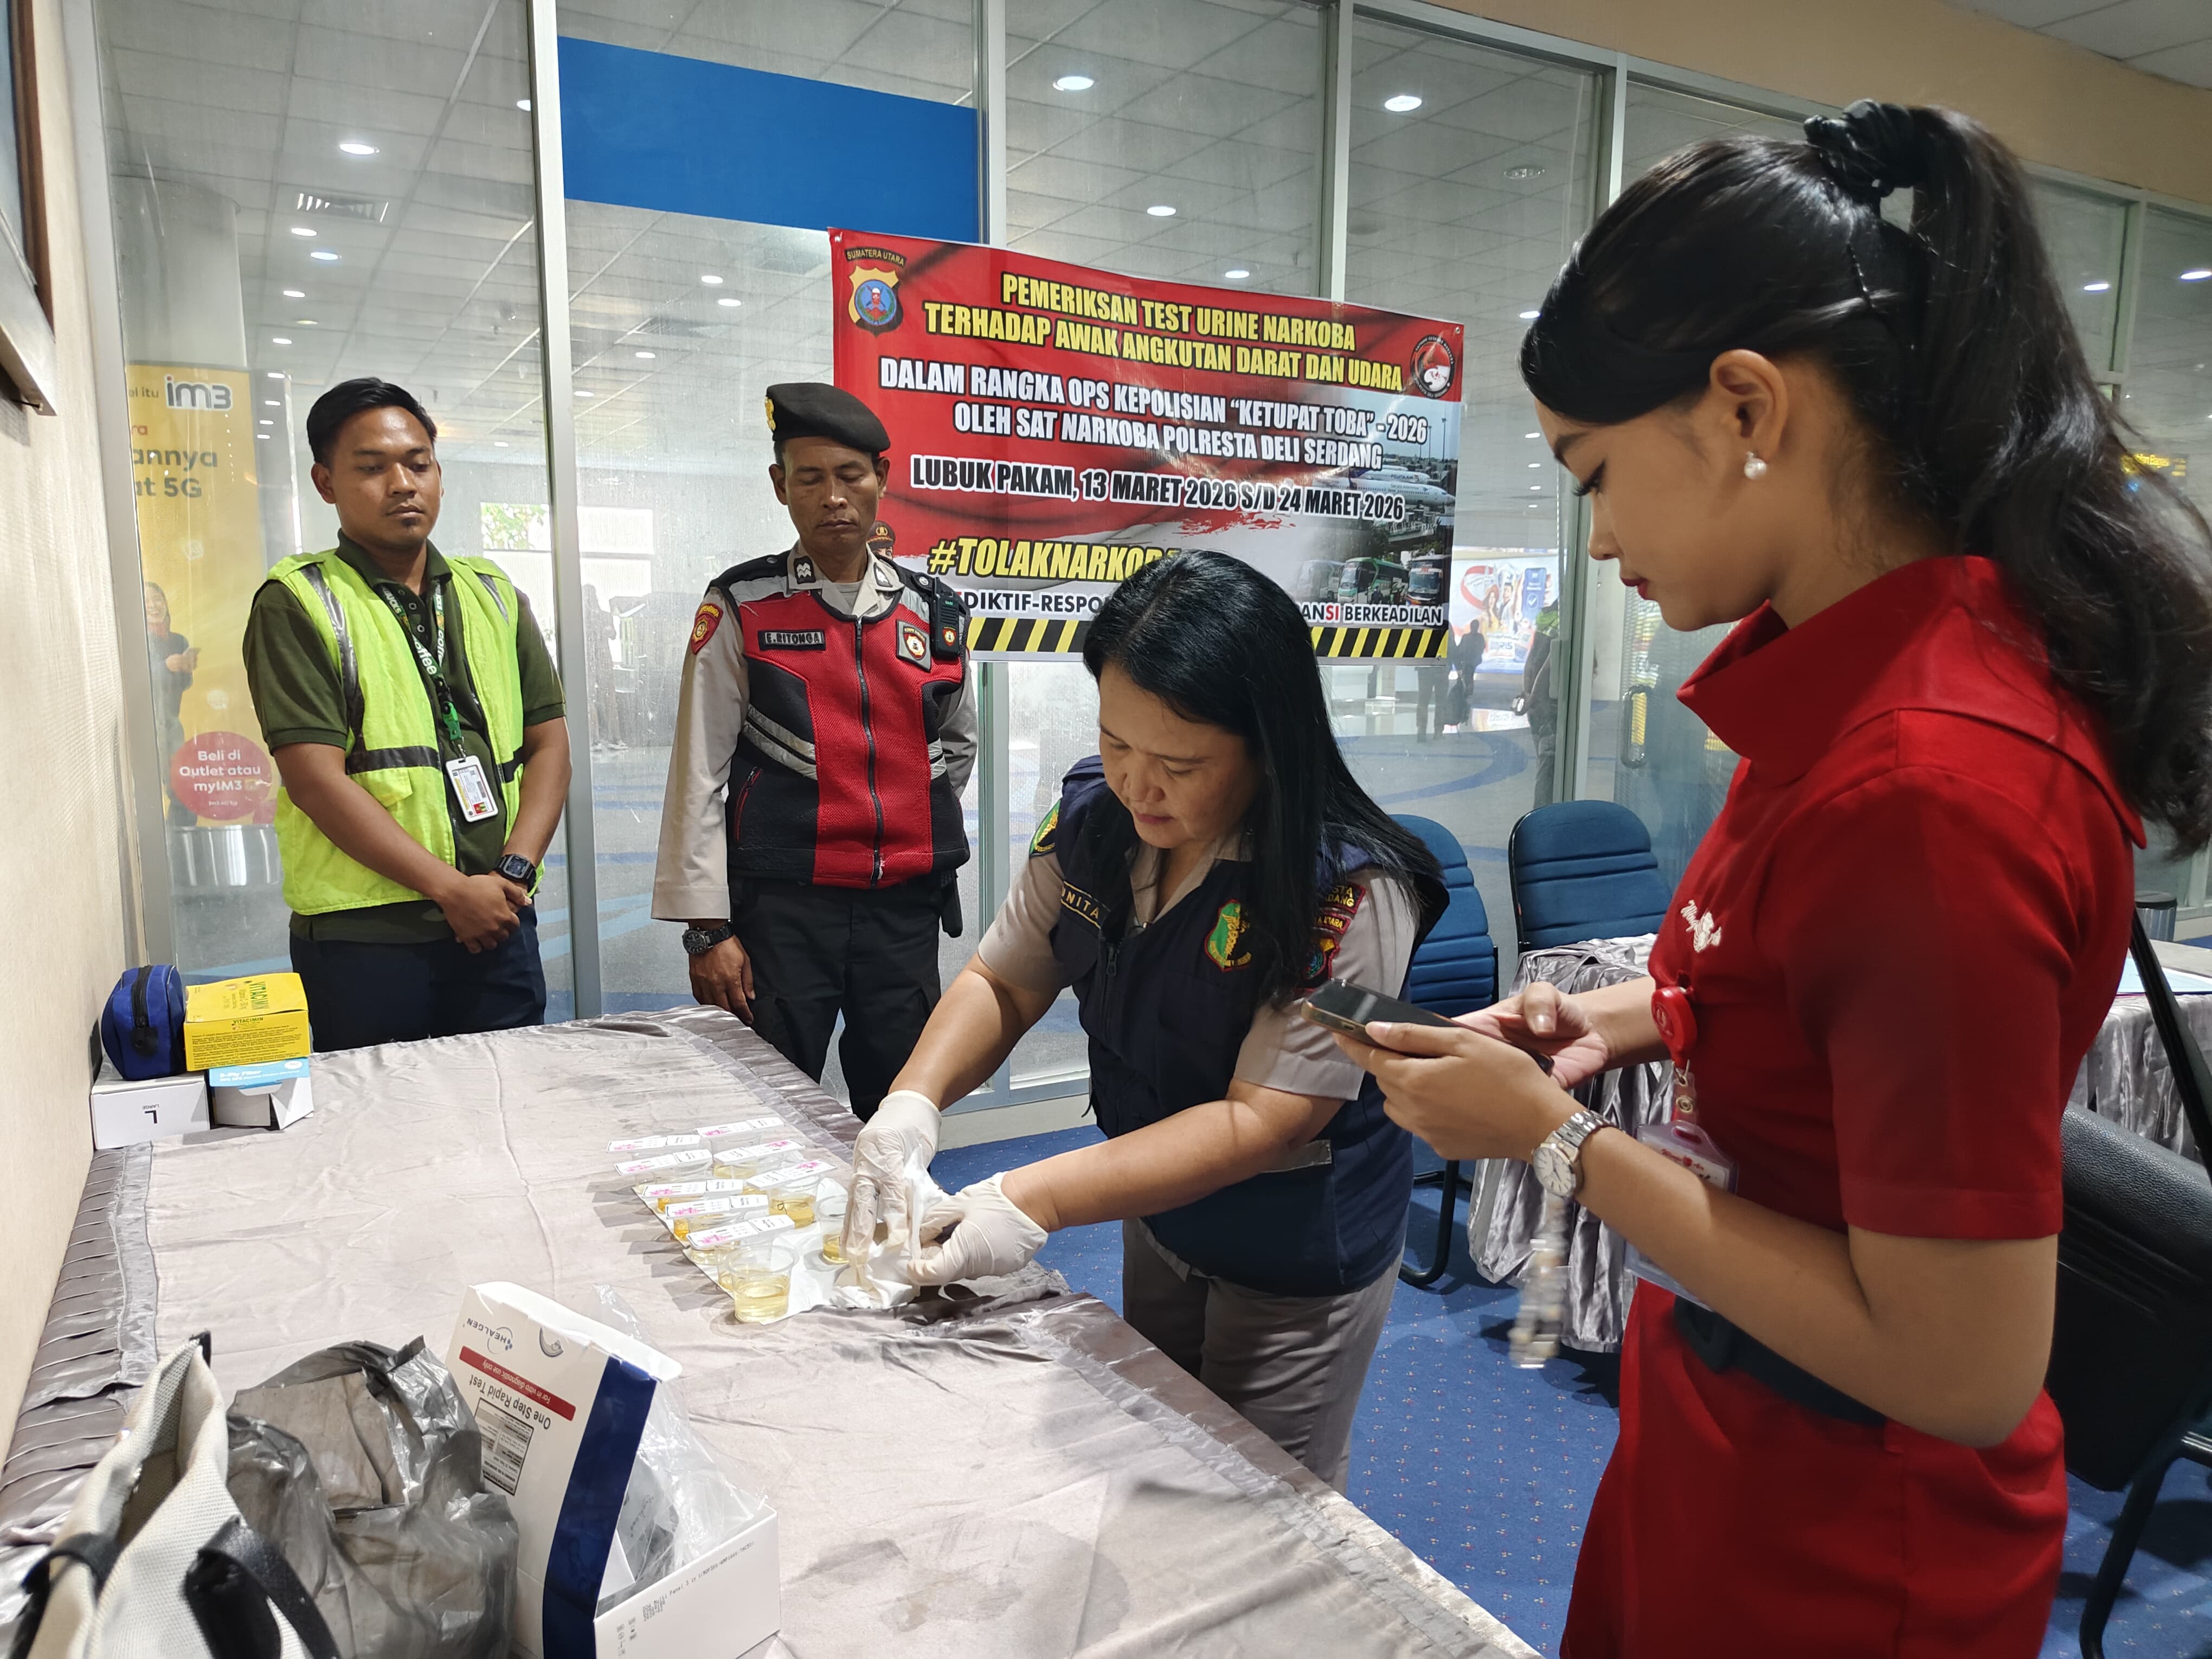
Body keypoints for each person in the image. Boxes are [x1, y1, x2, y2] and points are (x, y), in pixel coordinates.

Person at [1332, 101, 2212, 1657]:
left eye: (1594, 474)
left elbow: (1959, 1368)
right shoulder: (1848, 688)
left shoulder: (1930, 782)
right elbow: (1814, 992)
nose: (1597, 539)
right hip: (1734, 1431)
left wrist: (1551, 1141)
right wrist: (1631, 1018)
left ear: (1744, 406)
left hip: (1846, 1544)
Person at [842, 551, 1446, 1490]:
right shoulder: (1094, 819)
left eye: (1180, 765)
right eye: (1116, 742)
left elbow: (1264, 1119)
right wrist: (911, 1103)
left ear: (1268, 742)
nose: (1137, 786)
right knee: (1159, 1444)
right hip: (1157, 1205)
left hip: (1293, 1248)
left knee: (1255, 1499)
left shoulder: (1348, 891)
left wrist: (1031, 1198)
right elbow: (1006, 979)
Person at [652, 383, 975, 1121]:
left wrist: (900, 823)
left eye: (851, 475)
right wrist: (708, 929)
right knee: (768, 1109)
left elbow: (955, 748)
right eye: (810, 478)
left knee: (899, 1109)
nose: (834, 497)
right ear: (781, 486)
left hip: (902, 915)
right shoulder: (744, 603)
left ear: (881, 479)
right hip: (781, 914)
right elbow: (698, 771)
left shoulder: (937, 611)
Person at [243, 377, 571, 1051]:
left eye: (418, 464)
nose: (402, 484)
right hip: (366, 940)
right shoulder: (299, 602)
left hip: (500, 920)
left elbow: (549, 746)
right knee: (384, 1115)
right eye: (372, 468)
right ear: (326, 483)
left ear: (439, 476)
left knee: (509, 1101)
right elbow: (315, 781)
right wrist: (450, 890)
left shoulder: (493, 594)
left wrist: (513, 874)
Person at [143, 582, 199, 825]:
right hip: (144, 724)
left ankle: (179, 836)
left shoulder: (178, 640)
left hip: (171, 723)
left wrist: (186, 667)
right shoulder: (137, 639)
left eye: (159, 600)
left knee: (182, 787)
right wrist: (166, 667)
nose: (154, 606)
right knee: (144, 788)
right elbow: (134, 681)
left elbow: (185, 684)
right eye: (148, 602)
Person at [1520, 602, 1559, 803]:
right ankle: (1544, 814)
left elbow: (1531, 661)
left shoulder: (1545, 619)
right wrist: (1534, 697)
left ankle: (1542, 810)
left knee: (1544, 763)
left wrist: (1527, 695)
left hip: (1535, 707)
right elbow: (1549, 666)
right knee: (1549, 770)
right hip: (1550, 706)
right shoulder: (1566, 623)